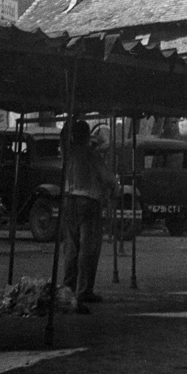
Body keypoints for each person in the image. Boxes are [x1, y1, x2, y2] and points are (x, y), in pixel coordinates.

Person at [61, 120, 117, 312]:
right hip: (89, 201)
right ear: (87, 137)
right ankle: (84, 290)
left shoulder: (68, 155)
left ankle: (68, 287)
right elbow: (108, 179)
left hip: (69, 200)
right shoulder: (91, 156)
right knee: (89, 247)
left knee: (72, 246)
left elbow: (63, 136)